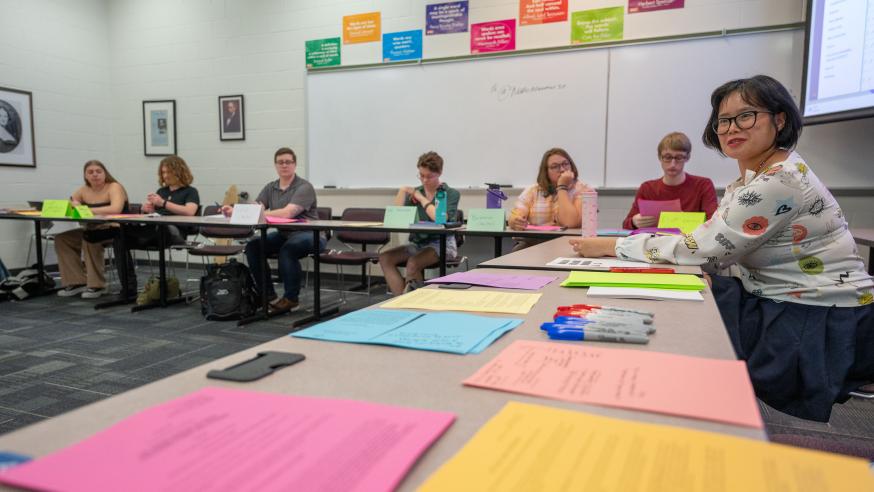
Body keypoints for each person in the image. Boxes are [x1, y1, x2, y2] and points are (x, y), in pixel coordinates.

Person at [569, 75, 874, 422]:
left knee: (693, 300)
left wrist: (612, 245)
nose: (731, 128)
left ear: (779, 120)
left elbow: (703, 251)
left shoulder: (779, 180)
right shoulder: (752, 179)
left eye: (746, 116)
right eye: (723, 120)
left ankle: (673, 411)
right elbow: (707, 242)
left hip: (816, 319)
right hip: (794, 302)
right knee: (696, 291)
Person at [230, 147, 323, 313]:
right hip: (285, 234)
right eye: (280, 162)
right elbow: (256, 207)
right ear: (275, 165)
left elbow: (288, 213)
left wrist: (260, 213)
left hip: (311, 234)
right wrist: (233, 211)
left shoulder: (304, 187)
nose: (284, 165)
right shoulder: (270, 187)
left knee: (288, 249)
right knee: (253, 247)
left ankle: (291, 299)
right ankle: (268, 296)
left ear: (294, 165)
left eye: (288, 162)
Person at [378, 151, 460, 295]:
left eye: (429, 176)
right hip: (418, 243)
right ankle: (401, 301)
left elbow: (440, 218)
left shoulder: (450, 193)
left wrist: (421, 198)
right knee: (385, 258)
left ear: (439, 173)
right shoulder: (415, 193)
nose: (424, 180)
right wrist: (402, 191)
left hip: (442, 244)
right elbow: (397, 217)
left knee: (413, 263)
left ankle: (413, 303)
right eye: (421, 175)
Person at [54, 160, 129, 299]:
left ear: (105, 173)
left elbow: (115, 209)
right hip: (92, 228)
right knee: (62, 239)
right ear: (85, 176)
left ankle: (97, 285)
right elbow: (71, 205)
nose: (95, 175)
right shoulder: (83, 190)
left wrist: (85, 209)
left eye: (98, 171)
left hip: (114, 229)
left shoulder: (114, 186)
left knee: (90, 238)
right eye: (90, 172)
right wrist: (72, 206)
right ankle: (76, 282)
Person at [622, 132, 717, 230]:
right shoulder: (647, 188)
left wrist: (686, 220)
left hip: (689, 239)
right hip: (654, 239)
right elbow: (626, 225)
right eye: (667, 157)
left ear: (687, 157)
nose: (672, 164)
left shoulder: (703, 185)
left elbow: (714, 223)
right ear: (660, 157)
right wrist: (634, 222)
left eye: (679, 157)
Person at [508, 148, 596, 251]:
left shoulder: (584, 190)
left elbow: (569, 223)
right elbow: (516, 215)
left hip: (570, 245)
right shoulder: (533, 190)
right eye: (555, 166)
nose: (562, 169)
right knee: (518, 251)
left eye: (565, 164)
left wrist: (562, 187)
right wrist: (514, 221)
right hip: (535, 244)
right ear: (546, 172)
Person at [126, 155, 200, 248]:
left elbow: (190, 211)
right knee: (122, 232)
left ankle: (143, 237)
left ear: (179, 172)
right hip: (156, 227)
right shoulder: (161, 191)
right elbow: (156, 213)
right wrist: (148, 210)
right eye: (163, 172)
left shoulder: (190, 191)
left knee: (161, 228)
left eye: (169, 172)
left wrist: (163, 203)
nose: (165, 176)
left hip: (175, 230)